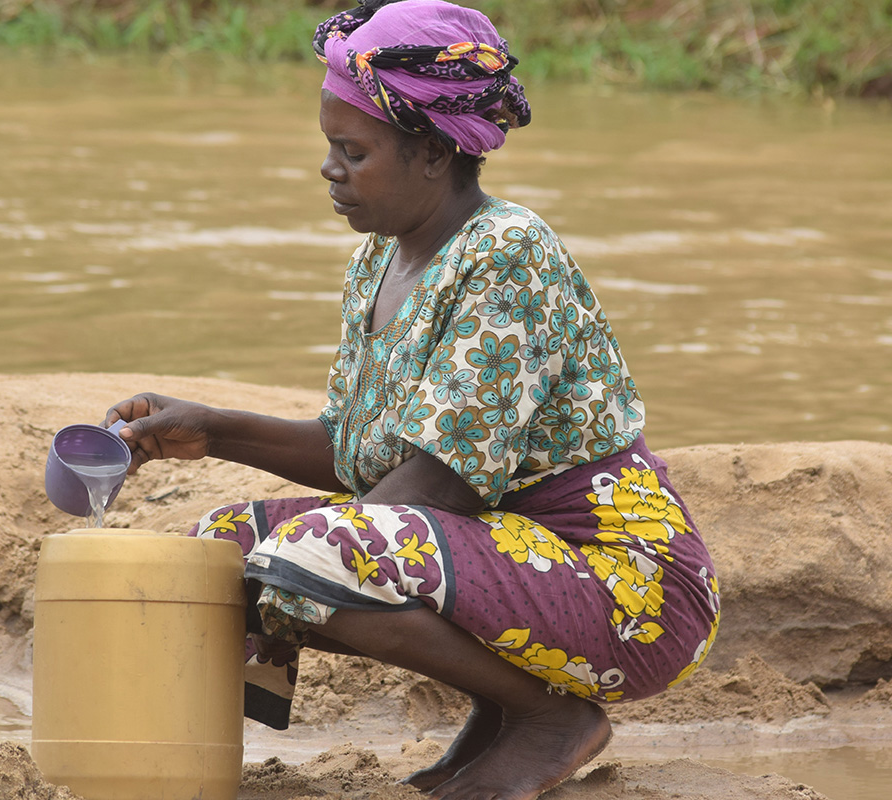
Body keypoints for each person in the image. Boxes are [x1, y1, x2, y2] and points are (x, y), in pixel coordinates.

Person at [105, 1, 720, 798]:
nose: (331, 169)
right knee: (217, 545)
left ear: (431, 152)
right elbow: (357, 453)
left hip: (623, 587)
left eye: (352, 152)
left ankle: (550, 722)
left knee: (310, 558)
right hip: (506, 558)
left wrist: (302, 567)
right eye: (330, 148)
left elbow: (442, 485)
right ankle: (502, 716)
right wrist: (211, 428)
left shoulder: (508, 254)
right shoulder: (380, 261)